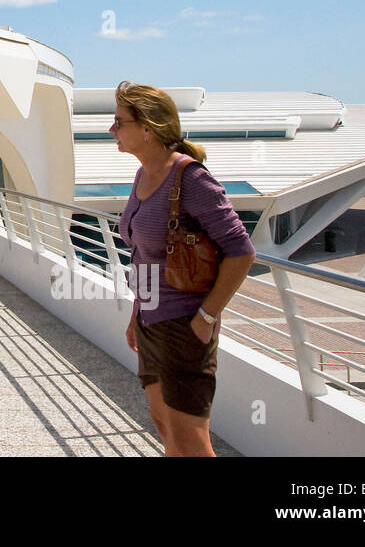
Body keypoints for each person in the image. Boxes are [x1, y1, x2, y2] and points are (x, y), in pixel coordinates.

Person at [111, 81, 256, 456]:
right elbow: (143, 254)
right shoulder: (144, 175)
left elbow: (241, 251)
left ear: (148, 128)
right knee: (165, 428)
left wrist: (205, 318)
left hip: (183, 325)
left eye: (119, 122)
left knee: (190, 440)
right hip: (150, 322)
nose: (112, 130)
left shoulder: (191, 179)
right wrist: (136, 315)